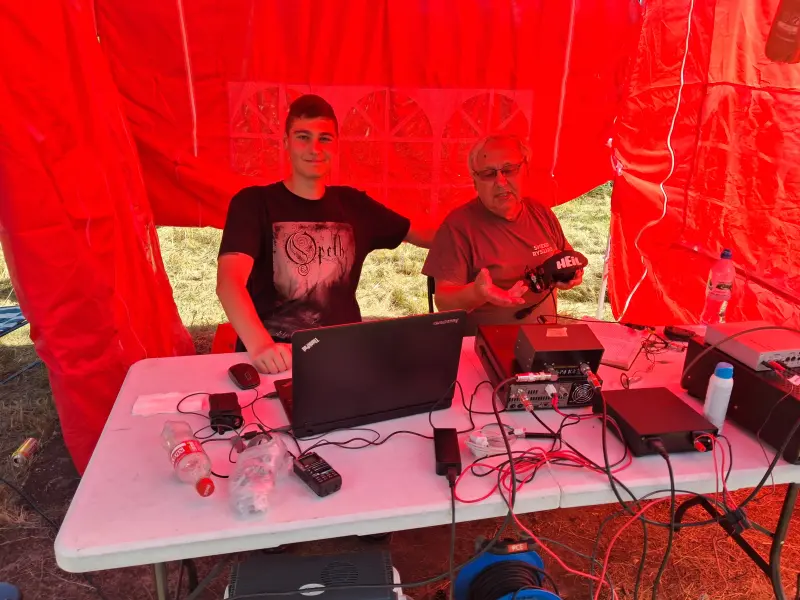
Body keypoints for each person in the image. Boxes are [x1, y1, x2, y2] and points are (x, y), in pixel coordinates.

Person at [217, 95, 435, 374]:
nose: (314, 148)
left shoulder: (354, 205)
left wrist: (477, 225)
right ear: (286, 142)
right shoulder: (253, 203)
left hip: (342, 357)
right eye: (303, 137)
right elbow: (229, 282)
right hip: (276, 361)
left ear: (336, 145)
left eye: (324, 139)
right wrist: (260, 346)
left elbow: (423, 235)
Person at [422, 134, 582, 334]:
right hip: (484, 345)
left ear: (525, 171)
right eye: (488, 174)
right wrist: (478, 293)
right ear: (475, 181)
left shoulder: (540, 212)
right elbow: (443, 302)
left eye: (509, 170)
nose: (500, 181)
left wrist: (571, 275)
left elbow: (566, 255)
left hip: (544, 339)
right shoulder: (457, 226)